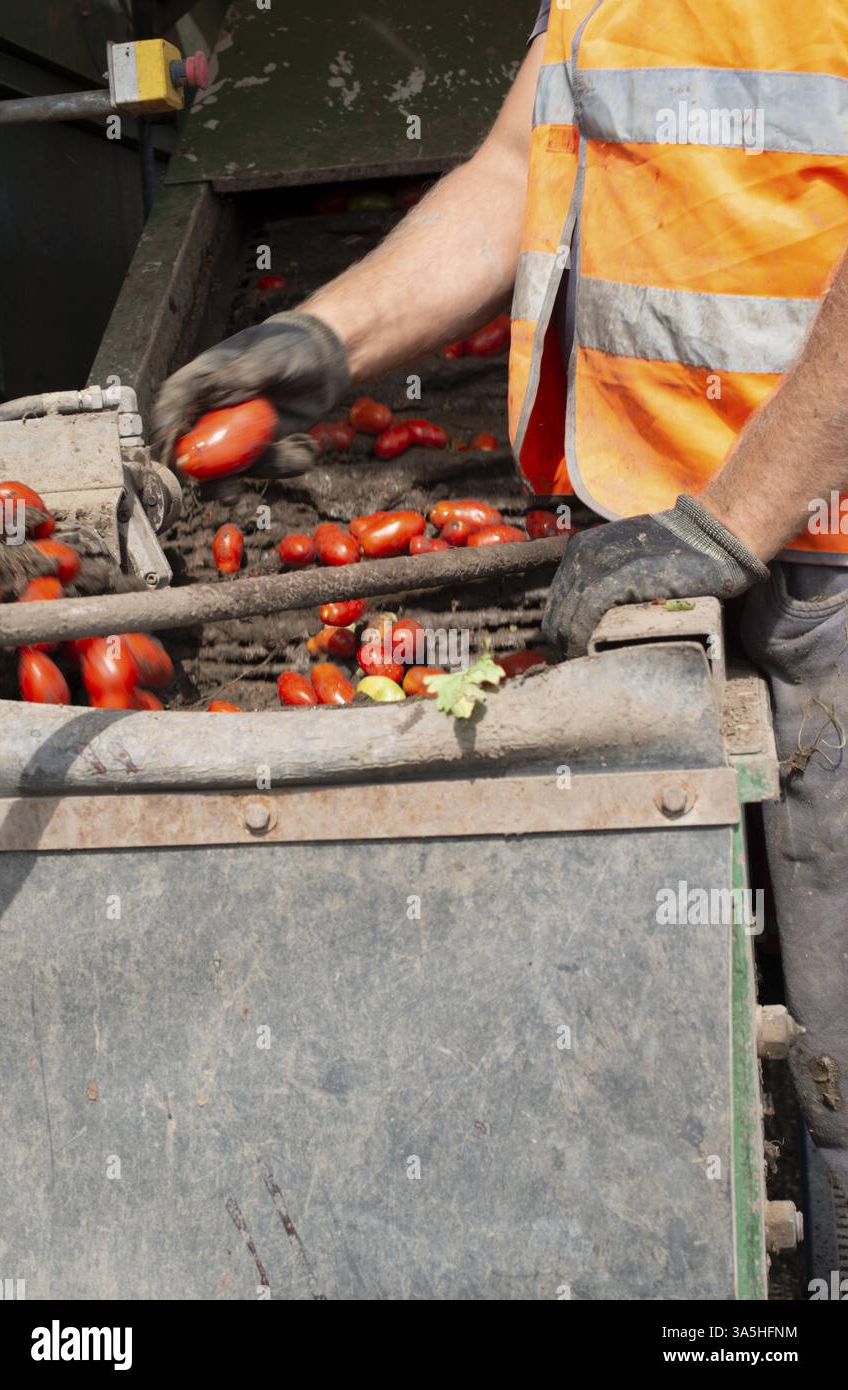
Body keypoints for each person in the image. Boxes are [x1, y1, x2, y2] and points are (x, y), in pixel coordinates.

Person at [154, 3, 848, 1190]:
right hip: (655, 553)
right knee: (675, 1034)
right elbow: (519, 171)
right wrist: (328, 338)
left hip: (819, 557)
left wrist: (732, 524)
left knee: (839, 1057)